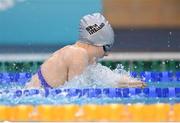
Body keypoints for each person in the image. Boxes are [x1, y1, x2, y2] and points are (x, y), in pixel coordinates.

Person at [27, 13, 146, 89]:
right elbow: (76, 93)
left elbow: (108, 79)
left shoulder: (82, 56)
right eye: (107, 47)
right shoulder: (78, 54)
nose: (107, 54)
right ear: (97, 43)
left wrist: (133, 83)